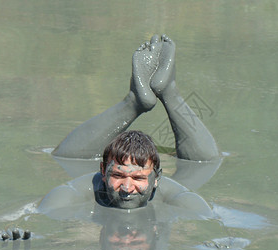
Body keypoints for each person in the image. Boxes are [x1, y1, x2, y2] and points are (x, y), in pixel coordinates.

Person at [38, 34, 222, 219]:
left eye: (138, 178)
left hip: (169, 196)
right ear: (102, 172)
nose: (127, 188)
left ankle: (167, 92)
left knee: (205, 165)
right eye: (118, 176)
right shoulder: (88, 189)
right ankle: (136, 101)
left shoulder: (174, 196)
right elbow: (42, 210)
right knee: (65, 158)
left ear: (157, 177)